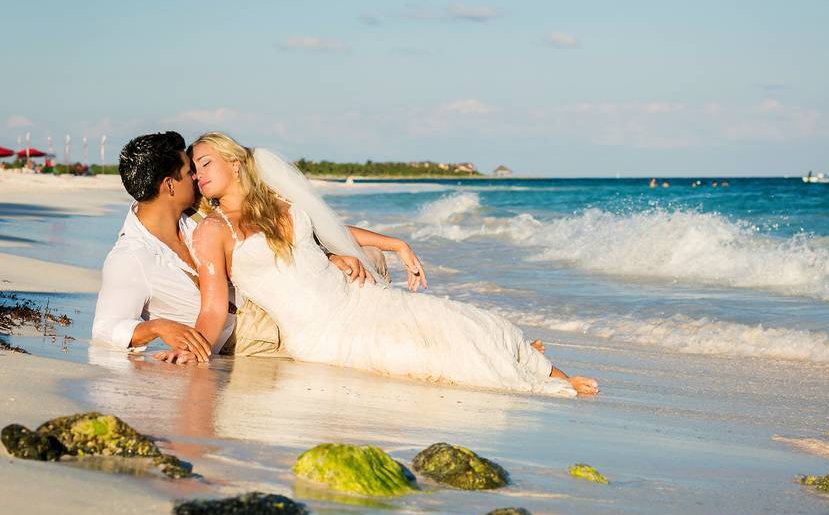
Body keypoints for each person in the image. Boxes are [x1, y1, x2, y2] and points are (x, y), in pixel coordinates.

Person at [188, 132, 599, 396]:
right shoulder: (214, 230)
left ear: (235, 162)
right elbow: (211, 306)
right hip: (325, 333)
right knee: (426, 358)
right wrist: (191, 349)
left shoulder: (282, 203)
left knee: (461, 318)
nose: (199, 174)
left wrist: (396, 243)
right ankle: (542, 382)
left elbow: (328, 229)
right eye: (194, 169)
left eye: (206, 162)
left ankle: (550, 371)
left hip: (361, 298)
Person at [92, 132, 424, 361]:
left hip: (273, 296)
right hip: (248, 334)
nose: (196, 177)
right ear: (168, 186)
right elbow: (105, 328)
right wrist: (157, 327)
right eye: (188, 171)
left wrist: (328, 256)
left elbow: (280, 231)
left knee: (367, 260)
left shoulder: (195, 215)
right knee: (371, 337)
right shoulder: (130, 257)